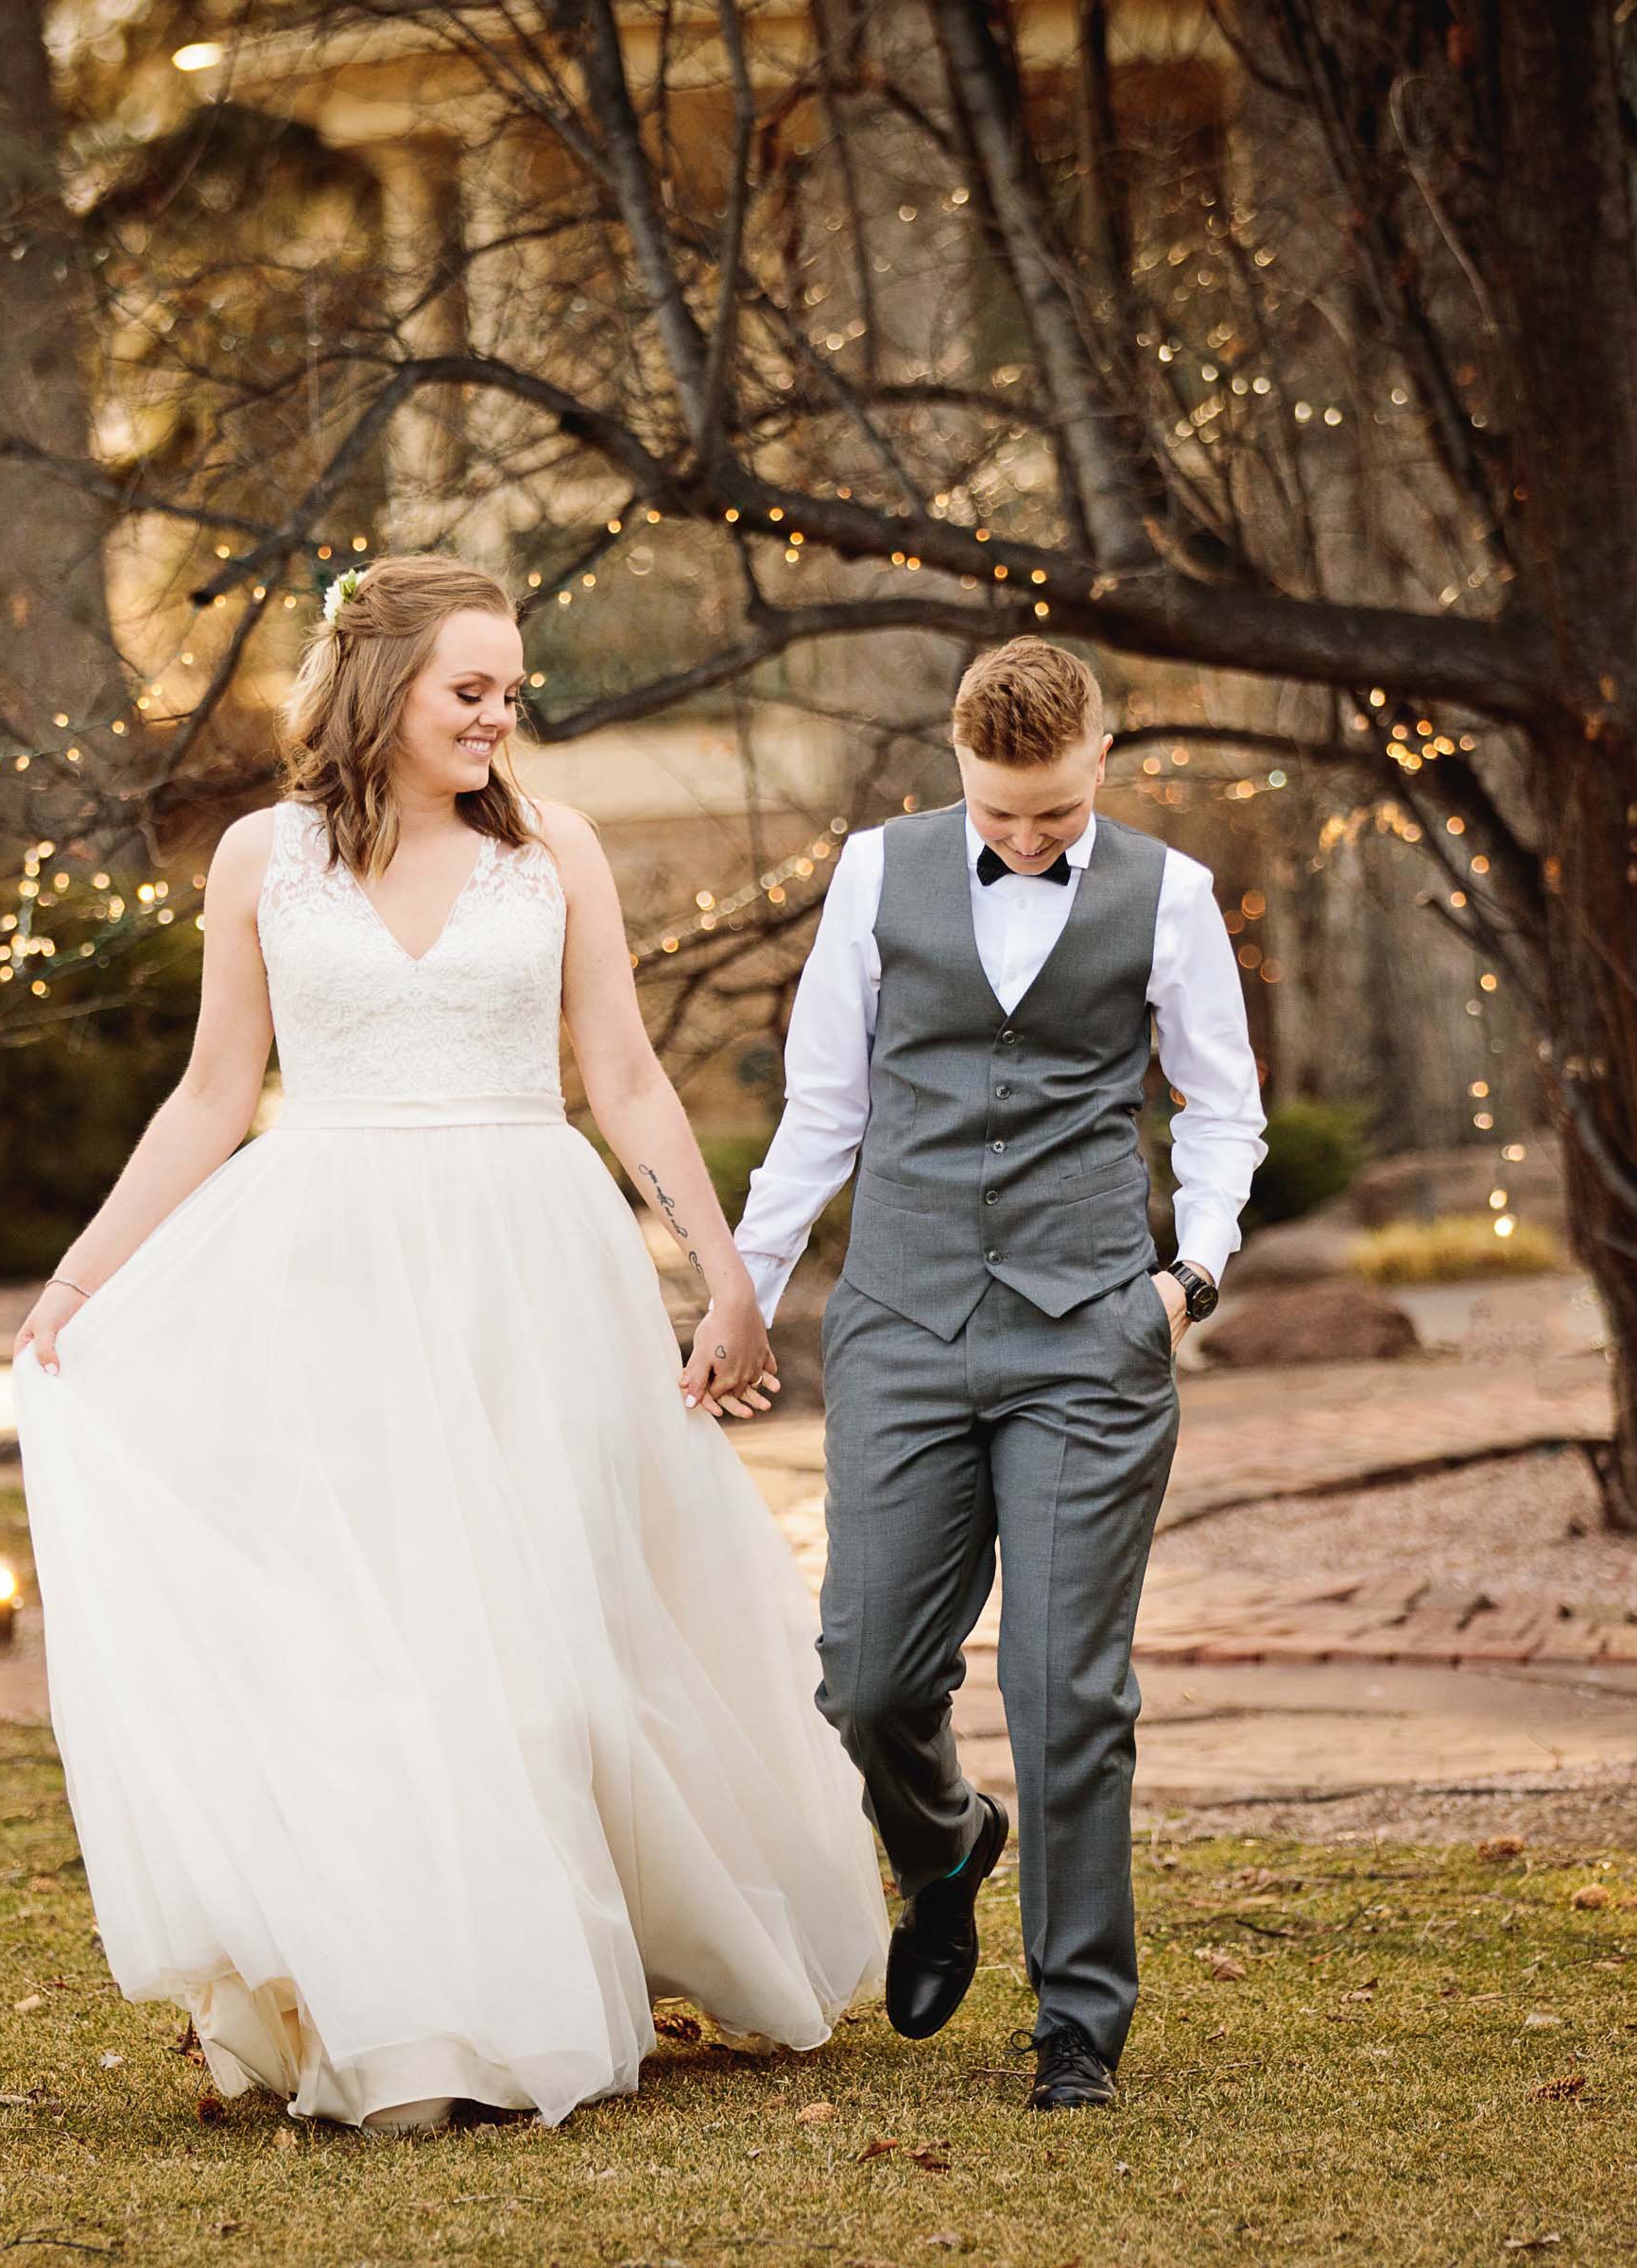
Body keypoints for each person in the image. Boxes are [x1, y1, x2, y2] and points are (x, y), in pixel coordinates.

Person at [10, 554, 887, 2134]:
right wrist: (78, 1285)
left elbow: (620, 1075)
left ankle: (539, 1982)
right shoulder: (261, 859)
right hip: (331, 1268)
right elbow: (216, 1093)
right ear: (381, 690)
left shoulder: (556, 850)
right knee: (375, 1634)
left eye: (510, 686)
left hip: (527, 1262)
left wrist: (728, 1271)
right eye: (468, 687)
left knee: (543, 1639)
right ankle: (409, 2011)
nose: (502, 713)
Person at [698, 637, 1265, 2113]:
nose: (1027, 840)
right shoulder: (878, 877)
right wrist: (742, 1298)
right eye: (1002, 817)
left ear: (1099, 764)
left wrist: (1189, 1274)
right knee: (868, 1676)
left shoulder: (1173, 896)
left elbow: (1221, 1109)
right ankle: (945, 1845)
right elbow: (823, 1107)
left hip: (1091, 1331)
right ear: (958, 770)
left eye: (1056, 818)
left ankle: (1078, 2020)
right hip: (901, 1319)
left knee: (1065, 1687)